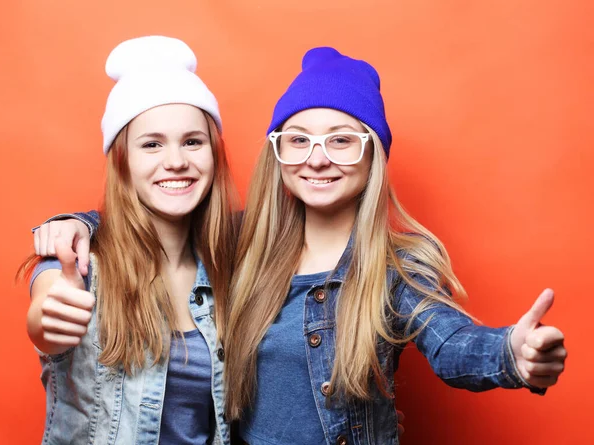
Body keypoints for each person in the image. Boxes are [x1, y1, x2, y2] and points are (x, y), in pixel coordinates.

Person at [30, 47, 565, 445]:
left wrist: (509, 355)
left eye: (340, 140)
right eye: (299, 139)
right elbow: (142, 223)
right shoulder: (241, 250)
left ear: (371, 153)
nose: (317, 158)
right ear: (279, 154)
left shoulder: (393, 269)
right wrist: (70, 226)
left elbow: (451, 344)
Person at [20, 36, 238, 444]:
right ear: (122, 161)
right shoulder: (78, 266)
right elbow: (47, 314)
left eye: (193, 141)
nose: (175, 160)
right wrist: (48, 318)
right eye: (151, 144)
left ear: (213, 154)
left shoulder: (233, 264)